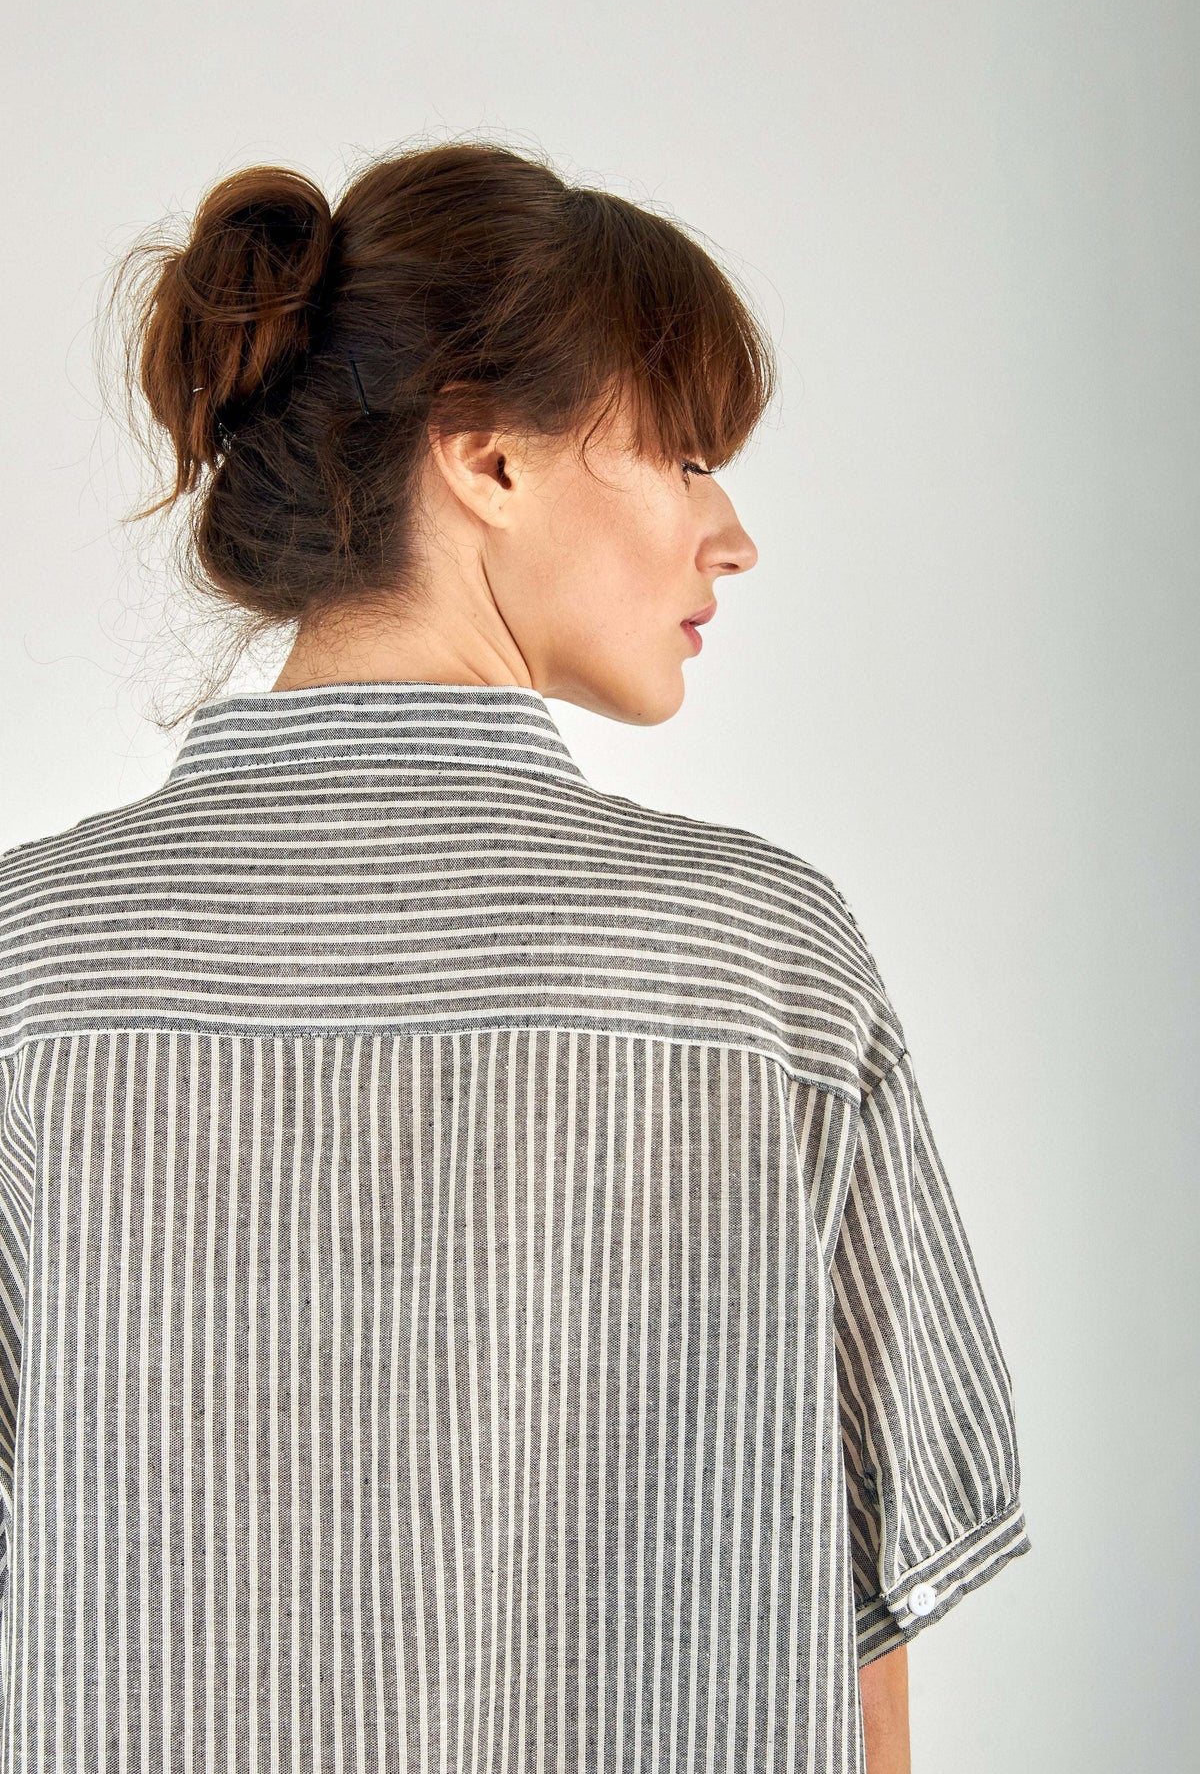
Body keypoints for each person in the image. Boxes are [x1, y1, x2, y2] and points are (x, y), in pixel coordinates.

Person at [0, 140, 1030, 1773]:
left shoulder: (35, 964)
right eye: (685, 455)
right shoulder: (758, 964)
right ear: (486, 460)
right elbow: (869, 1618)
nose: (732, 534)